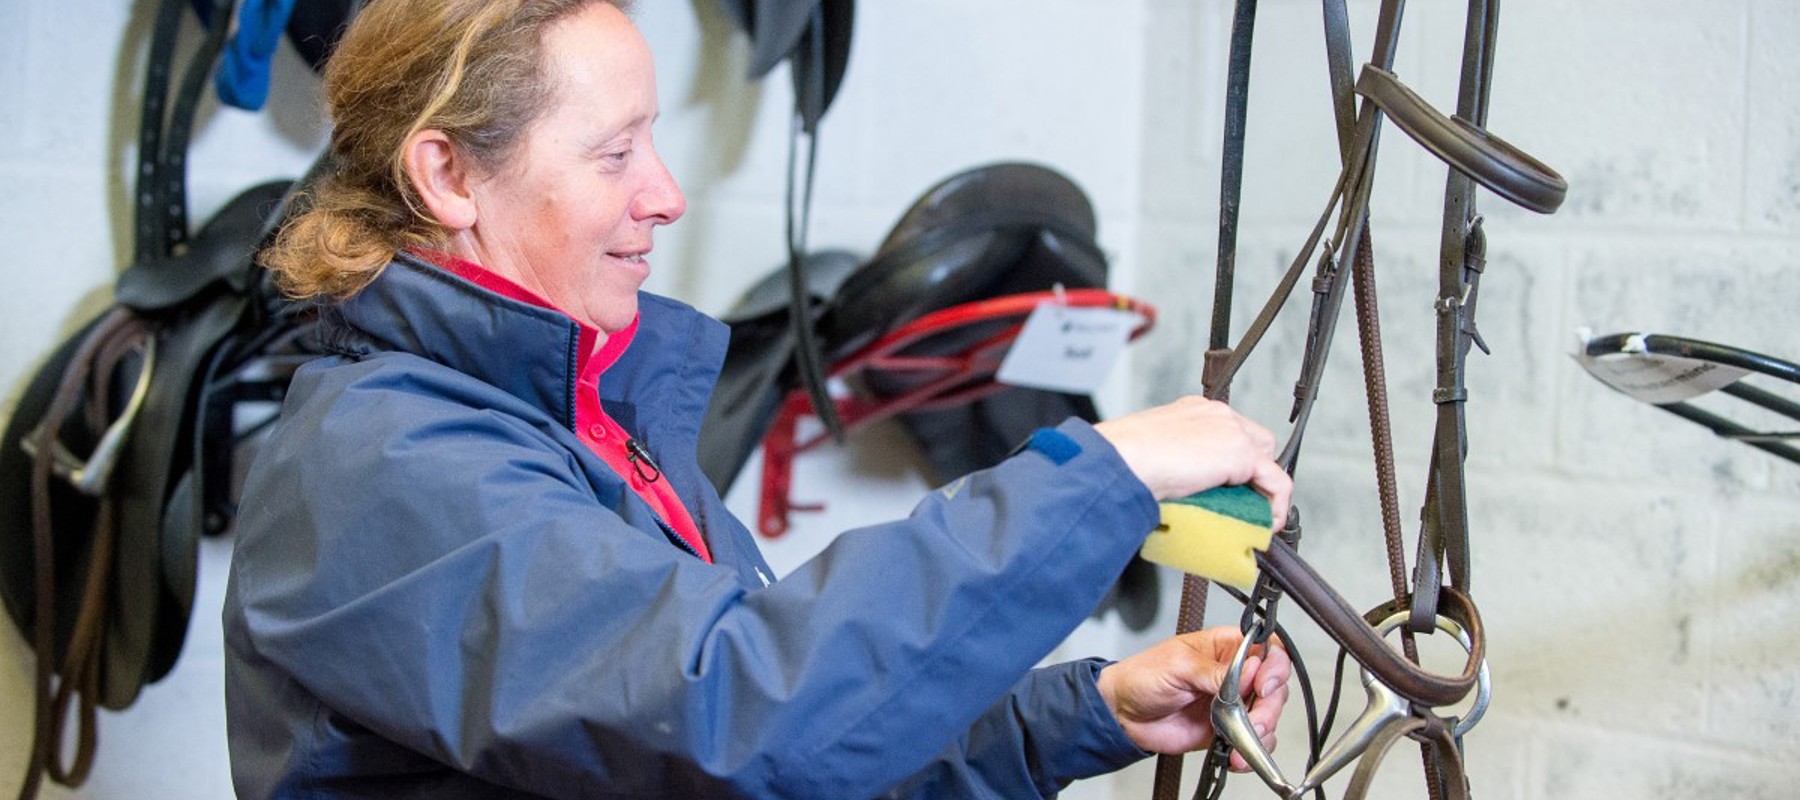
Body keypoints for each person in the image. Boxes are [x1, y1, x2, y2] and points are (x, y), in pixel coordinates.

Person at [223, 0, 1297, 797]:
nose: (665, 194)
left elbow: (808, 739)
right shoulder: (385, 463)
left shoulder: (580, 420)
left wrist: (1084, 711)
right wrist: (1100, 477)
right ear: (449, 177)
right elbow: (738, 713)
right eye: (613, 153)